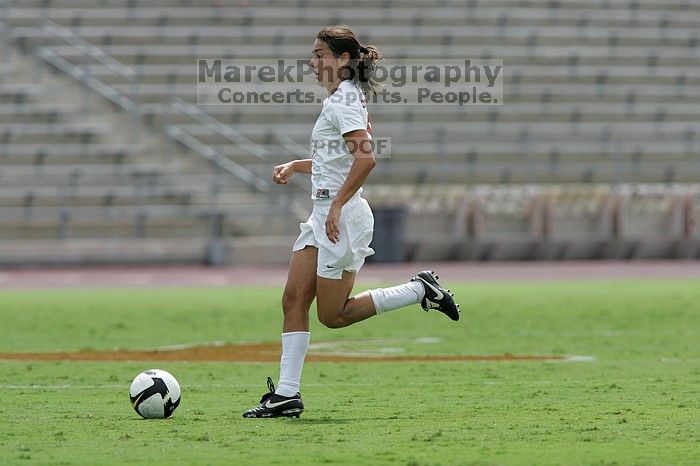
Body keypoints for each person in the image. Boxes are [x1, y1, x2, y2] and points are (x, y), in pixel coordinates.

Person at [243, 25, 460, 419]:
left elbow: (365, 159)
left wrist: (338, 207)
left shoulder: (343, 101)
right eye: (313, 54)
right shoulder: (343, 97)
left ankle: (418, 291)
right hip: (323, 215)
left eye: (320, 55)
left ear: (343, 60)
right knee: (293, 299)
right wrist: (297, 166)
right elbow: (335, 161)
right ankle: (287, 395)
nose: (313, 62)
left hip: (340, 219)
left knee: (333, 315)